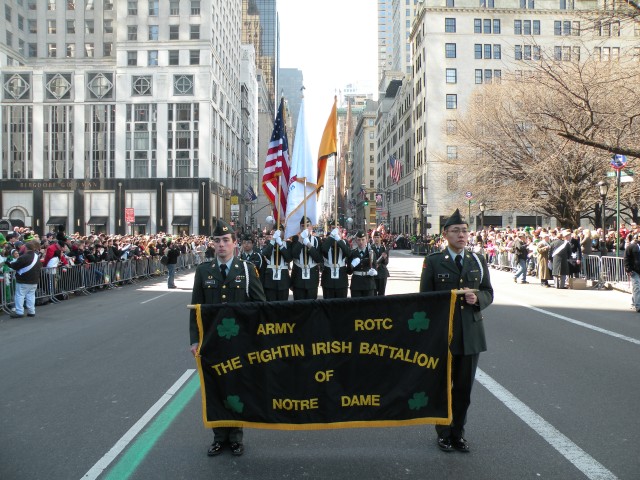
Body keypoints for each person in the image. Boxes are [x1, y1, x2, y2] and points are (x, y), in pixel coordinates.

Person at [189, 219, 266, 457]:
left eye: (225, 240)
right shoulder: (204, 271)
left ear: (235, 243)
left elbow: (259, 305)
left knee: (235, 388)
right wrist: (194, 340)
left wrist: (252, 336)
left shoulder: (245, 269)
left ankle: (235, 437)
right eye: (217, 241)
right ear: (212, 244)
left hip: (237, 341)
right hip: (212, 341)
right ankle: (218, 437)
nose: (221, 245)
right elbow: (196, 308)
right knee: (215, 388)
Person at [419, 208, 493, 453]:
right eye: (455, 231)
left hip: (471, 335)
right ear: (445, 234)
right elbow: (425, 299)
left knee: (464, 390)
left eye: (464, 231)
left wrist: (478, 298)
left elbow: (488, 292)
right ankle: (443, 433)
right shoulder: (433, 261)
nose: (461, 235)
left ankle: (458, 432)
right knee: (443, 388)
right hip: (444, 333)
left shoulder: (477, 261)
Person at [8, 240, 43, 318]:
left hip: (23, 280)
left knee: (20, 295)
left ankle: (19, 312)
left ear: (26, 248)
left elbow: (15, 266)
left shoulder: (23, 257)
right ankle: (31, 311)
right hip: (34, 279)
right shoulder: (36, 257)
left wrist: (8, 263)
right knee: (31, 296)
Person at [290, 217, 322, 300]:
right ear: (300, 227)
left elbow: (318, 258)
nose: (305, 228)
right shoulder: (295, 239)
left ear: (311, 227)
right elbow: (294, 254)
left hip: (312, 276)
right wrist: (300, 241)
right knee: (298, 305)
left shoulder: (316, 240)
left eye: (307, 225)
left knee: (311, 305)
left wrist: (309, 244)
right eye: (303, 226)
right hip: (298, 276)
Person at [260, 225, 292, 301]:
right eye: (276, 230)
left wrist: (281, 245)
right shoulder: (268, 243)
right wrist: (273, 240)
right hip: (270, 280)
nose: (278, 232)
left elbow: (288, 258)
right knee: (270, 304)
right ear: (273, 232)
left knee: (283, 305)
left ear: (284, 232)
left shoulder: (287, 244)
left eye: (280, 230)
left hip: (283, 280)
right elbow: (264, 253)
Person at [320, 219, 350, 299]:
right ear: (330, 229)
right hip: (328, 279)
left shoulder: (344, 242)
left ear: (340, 229)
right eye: (333, 228)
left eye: (337, 227)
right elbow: (324, 250)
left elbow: (348, 253)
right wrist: (331, 237)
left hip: (341, 279)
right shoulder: (325, 241)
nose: (335, 230)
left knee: (341, 306)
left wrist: (339, 240)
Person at [347, 230, 377, 297]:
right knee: (356, 306)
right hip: (356, 284)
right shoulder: (352, 253)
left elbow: (375, 266)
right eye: (359, 240)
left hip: (369, 283)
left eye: (363, 240)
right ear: (356, 240)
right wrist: (352, 265)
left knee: (368, 306)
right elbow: (348, 271)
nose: (361, 242)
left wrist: (374, 271)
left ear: (366, 240)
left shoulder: (371, 253)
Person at [623, 233, 640, 312]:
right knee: (637, 287)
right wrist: (628, 269)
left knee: (637, 287)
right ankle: (638, 305)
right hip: (634, 270)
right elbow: (626, 258)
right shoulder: (631, 247)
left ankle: (634, 302)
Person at [371, 230, 390, 296]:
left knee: (382, 293)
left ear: (380, 238)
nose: (376, 239)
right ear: (373, 238)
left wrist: (384, 258)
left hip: (382, 273)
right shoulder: (370, 248)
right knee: (374, 293)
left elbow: (386, 262)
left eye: (378, 237)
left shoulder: (384, 248)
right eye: (375, 237)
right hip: (374, 273)